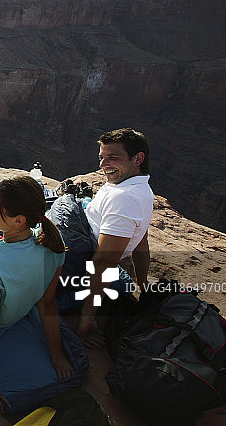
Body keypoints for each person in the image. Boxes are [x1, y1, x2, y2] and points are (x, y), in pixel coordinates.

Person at [0, 175, 73, 418]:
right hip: (11, 312)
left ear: (18, 220)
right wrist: (56, 353)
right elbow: (47, 303)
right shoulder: (54, 244)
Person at [78, 128, 153, 347]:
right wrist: (143, 283)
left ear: (138, 158)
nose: (102, 165)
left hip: (80, 248)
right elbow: (141, 240)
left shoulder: (125, 198)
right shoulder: (135, 186)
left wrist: (86, 319)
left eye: (112, 158)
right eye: (102, 157)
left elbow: (104, 262)